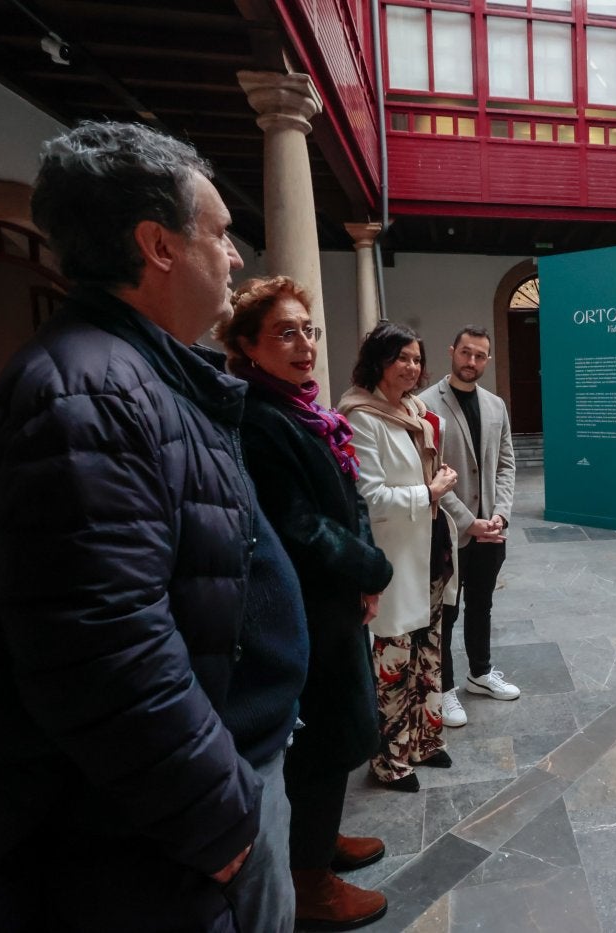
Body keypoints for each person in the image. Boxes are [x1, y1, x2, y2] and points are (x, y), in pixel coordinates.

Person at [0, 121, 279, 931]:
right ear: (157, 244)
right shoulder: (89, 396)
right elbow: (105, 645)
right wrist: (214, 812)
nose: (234, 258)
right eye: (220, 235)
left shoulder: (135, 373)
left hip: (144, 827)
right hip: (126, 847)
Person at [218, 276, 395, 929]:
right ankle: (310, 881)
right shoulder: (261, 420)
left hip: (337, 595)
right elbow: (295, 522)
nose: (304, 344)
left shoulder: (304, 409)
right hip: (303, 606)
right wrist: (369, 564)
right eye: (285, 332)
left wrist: (366, 575)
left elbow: (348, 502)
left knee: (337, 735)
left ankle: (317, 844)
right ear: (247, 345)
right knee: (322, 740)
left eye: (309, 330)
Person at [339, 323, 457, 792]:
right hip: (395, 555)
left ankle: (425, 740)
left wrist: (436, 483)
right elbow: (368, 496)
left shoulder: (415, 409)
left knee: (428, 652)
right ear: (378, 361)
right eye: (401, 358)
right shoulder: (360, 415)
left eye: (415, 359)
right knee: (394, 659)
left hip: (430, 548)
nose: (411, 367)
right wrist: (429, 490)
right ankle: (389, 760)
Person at [418, 326, 520, 728]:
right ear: (452, 351)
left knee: (483, 604)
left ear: (488, 359)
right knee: (447, 611)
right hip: (449, 529)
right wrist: (468, 521)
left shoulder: (495, 405)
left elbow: (507, 463)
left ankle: (480, 673)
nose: (471, 362)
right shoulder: (426, 404)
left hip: (491, 530)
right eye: (465, 353)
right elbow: (431, 472)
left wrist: (502, 514)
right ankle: (444, 689)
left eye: (479, 355)